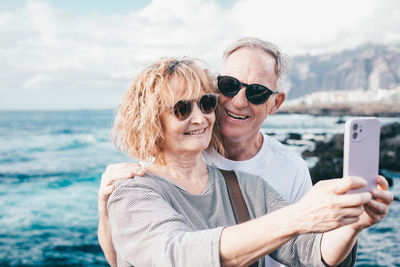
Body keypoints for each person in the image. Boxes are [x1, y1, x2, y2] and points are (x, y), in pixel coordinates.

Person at [105, 57, 392, 267]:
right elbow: (176, 255)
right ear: (151, 120)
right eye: (182, 109)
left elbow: (310, 251)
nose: (199, 118)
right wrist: (298, 216)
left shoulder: (246, 186)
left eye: (205, 103)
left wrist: (351, 224)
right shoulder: (134, 192)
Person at [99, 37, 312, 266]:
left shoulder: (280, 173)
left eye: (206, 103)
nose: (239, 102)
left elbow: (309, 248)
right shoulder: (172, 160)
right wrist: (106, 208)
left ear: (275, 103)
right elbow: (143, 254)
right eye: (230, 85)